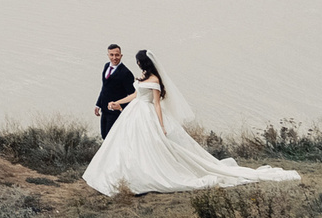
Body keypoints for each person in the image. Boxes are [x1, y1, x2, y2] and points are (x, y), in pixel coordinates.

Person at [82, 49, 301, 196]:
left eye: (138, 61)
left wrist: (161, 124)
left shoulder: (155, 80)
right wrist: (116, 102)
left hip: (147, 115)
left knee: (151, 148)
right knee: (126, 145)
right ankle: (125, 172)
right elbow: (135, 97)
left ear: (143, 63)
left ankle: (144, 174)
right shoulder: (141, 78)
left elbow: (156, 104)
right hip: (134, 113)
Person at [94, 42, 134, 139]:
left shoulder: (126, 73)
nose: (114, 58)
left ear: (121, 55)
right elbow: (104, 87)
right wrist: (98, 104)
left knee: (111, 138)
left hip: (115, 112)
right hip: (104, 109)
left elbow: (132, 95)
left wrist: (121, 107)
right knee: (104, 136)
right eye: (111, 55)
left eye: (117, 55)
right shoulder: (106, 66)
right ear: (108, 55)